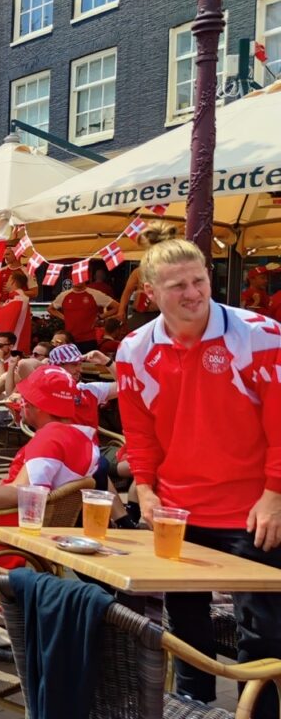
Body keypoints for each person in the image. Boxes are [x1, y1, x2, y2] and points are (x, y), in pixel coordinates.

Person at [115, 230, 281, 717]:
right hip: (177, 511)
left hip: (253, 511)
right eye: (177, 286)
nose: (192, 293)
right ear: (151, 293)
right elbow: (139, 433)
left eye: (198, 281)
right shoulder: (133, 349)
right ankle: (196, 711)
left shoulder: (260, 335)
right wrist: (145, 490)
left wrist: (274, 495)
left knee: (264, 634)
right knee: (185, 630)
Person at [0, 366, 102, 565]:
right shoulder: (82, 437)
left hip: (5, 540)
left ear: (39, 405)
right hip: (35, 535)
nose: (18, 401)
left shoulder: (49, 439)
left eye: (25, 398)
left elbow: (19, 492)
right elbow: (17, 484)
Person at [49, 280, 118, 353]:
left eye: (80, 278)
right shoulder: (64, 295)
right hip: (70, 340)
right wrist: (65, 318)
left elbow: (117, 307)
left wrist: (100, 317)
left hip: (88, 340)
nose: (78, 280)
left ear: (85, 279)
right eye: (76, 278)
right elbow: (50, 309)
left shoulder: (95, 294)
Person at [0, 270, 32, 354]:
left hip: (15, 347)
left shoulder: (19, 299)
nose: (6, 283)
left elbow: (3, 320)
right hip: (13, 346)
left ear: (13, 281)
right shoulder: (15, 298)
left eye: (8, 280)